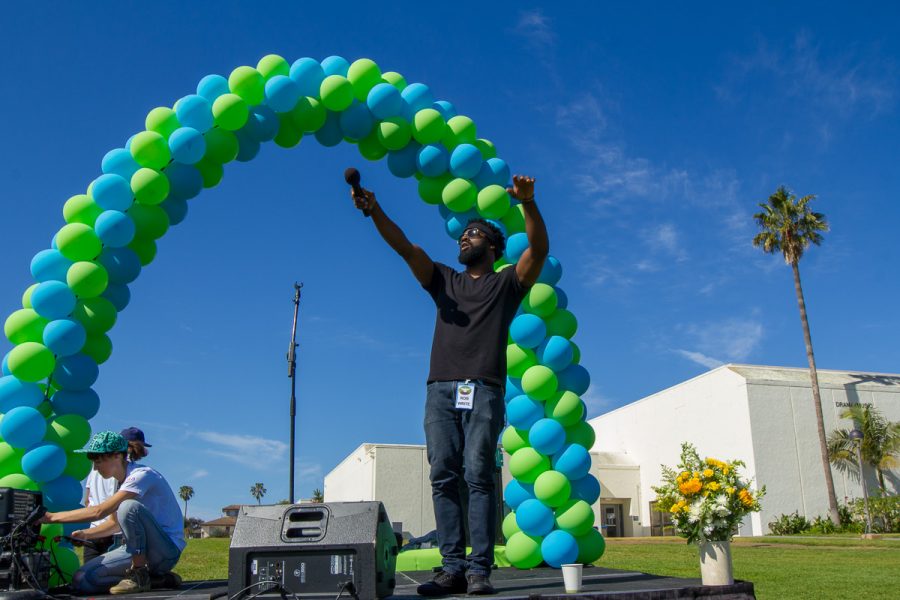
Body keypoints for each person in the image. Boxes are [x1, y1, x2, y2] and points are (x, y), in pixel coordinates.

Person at [352, 174, 548, 595]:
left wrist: (528, 204)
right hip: (439, 390)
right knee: (443, 474)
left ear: (491, 248)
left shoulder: (506, 283)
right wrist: (374, 210)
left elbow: (540, 250)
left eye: (473, 234)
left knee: (478, 474)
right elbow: (406, 247)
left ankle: (479, 570)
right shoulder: (443, 279)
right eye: (461, 236)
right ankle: (452, 568)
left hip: (485, 390)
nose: (463, 239)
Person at [42, 431, 184, 595]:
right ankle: (157, 581)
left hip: (165, 551)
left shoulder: (142, 475)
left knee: (128, 507)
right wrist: (85, 534)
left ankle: (139, 573)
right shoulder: (120, 484)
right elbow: (113, 523)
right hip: (139, 551)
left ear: (117, 456)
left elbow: (99, 512)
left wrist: (50, 517)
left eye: (99, 461)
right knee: (82, 579)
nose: (95, 468)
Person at [81, 427, 154, 564]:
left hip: (94, 530)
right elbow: (114, 510)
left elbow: (87, 499)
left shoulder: (95, 467)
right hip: (113, 532)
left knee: (86, 579)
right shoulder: (121, 471)